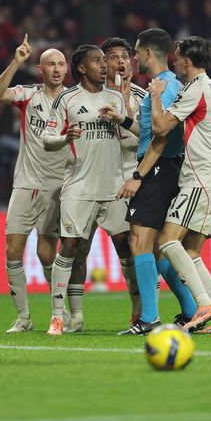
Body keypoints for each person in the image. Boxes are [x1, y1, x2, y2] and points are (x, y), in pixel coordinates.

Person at [101, 28, 198, 336]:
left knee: (139, 241)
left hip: (158, 170)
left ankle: (149, 319)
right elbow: (147, 132)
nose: (133, 58)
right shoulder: (163, 85)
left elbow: (161, 135)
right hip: (163, 168)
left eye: (136, 52)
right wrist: (122, 120)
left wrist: (138, 176)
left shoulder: (164, 87)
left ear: (147, 53)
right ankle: (193, 312)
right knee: (155, 248)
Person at [151, 36, 211, 334]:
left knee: (167, 240)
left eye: (177, 58)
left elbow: (160, 127)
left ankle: (203, 304)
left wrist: (155, 96)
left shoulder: (194, 89)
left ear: (187, 61)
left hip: (201, 179)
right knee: (190, 251)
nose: (174, 62)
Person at [42, 44, 130, 335]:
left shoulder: (116, 97)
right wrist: (65, 138)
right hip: (78, 187)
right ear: (81, 68)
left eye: (104, 61)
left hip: (114, 187)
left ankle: (139, 314)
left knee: (126, 248)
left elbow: (132, 135)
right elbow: (47, 139)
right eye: (97, 61)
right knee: (71, 247)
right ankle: (63, 316)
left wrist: (122, 119)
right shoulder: (66, 98)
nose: (104, 65)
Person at [62, 37, 145, 331]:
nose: (120, 62)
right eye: (112, 57)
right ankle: (74, 315)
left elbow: (143, 138)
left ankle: (141, 309)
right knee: (79, 247)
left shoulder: (140, 96)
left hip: (129, 181)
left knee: (133, 247)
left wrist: (124, 115)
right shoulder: (77, 99)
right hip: (88, 180)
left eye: (125, 56)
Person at [0, 34, 70, 334]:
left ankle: (60, 312)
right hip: (25, 183)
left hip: (57, 187)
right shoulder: (29, 94)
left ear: (67, 68)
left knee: (46, 254)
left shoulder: (73, 101)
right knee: (13, 250)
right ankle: (23, 318)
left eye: (61, 64)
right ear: (40, 69)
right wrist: (15, 62)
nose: (56, 69)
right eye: (51, 64)